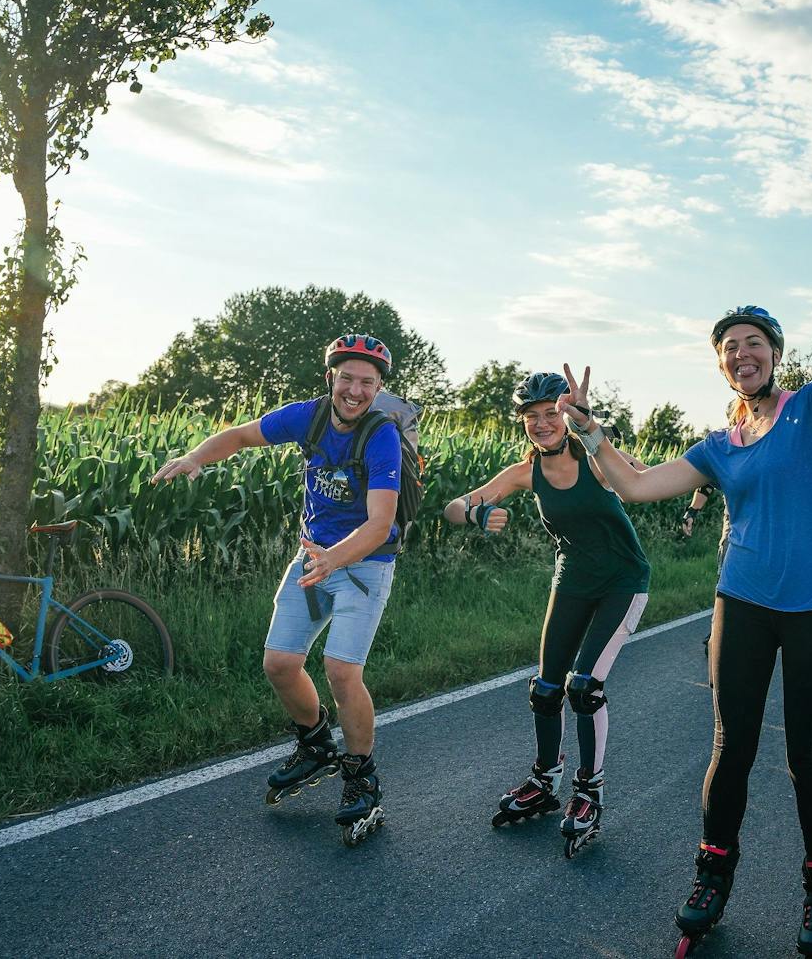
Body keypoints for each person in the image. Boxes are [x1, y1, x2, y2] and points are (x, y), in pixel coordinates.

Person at [558, 229, 812, 959]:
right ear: (722, 364)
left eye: (753, 341)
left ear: (775, 351)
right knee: (730, 748)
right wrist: (591, 434)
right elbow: (637, 484)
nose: (742, 353)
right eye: (730, 346)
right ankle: (712, 875)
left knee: (807, 757)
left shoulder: (811, 410)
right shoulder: (716, 444)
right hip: (742, 606)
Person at [153, 334, 403, 843]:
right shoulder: (307, 416)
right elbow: (243, 435)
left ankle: (361, 779)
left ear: (378, 389)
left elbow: (381, 523)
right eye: (347, 378)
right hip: (312, 559)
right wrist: (198, 457)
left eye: (367, 383)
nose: (355, 390)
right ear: (331, 377)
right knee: (280, 663)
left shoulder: (381, 435)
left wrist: (337, 558)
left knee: (340, 669)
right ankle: (314, 745)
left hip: (364, 565)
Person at [443, 371, 652, 857]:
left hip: (623, 583)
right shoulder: (524, 473)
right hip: (572, 582)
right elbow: (455, 506)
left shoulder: (596, 462)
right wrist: (476, 514)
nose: (542, 424)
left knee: (585, 689)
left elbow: (638, 477)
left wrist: (594, 430)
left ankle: (589, 790)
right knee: (545, 690)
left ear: (566, 417)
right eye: (531, 417)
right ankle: (545, 778)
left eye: (550, 413)